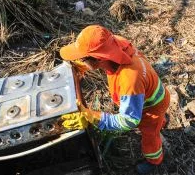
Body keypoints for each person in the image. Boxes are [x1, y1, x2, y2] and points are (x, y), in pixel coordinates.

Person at [60, 25, 170, 174]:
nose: (80, 60)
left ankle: (154, 160)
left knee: (150, 135)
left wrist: (94, 117)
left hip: (152, 108)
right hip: (149, 95)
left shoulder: (129, 79)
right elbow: (101, 57)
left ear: (98, 59)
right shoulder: (116, 44)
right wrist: (84, 65)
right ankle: (160, 123)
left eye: (82, 58)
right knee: (153, 123)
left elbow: (129, 121)